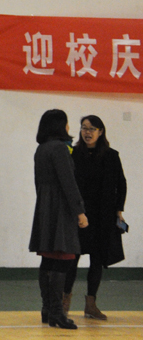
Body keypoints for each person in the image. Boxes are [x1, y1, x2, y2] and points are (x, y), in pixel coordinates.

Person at [28, 109, 88, 330]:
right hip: (61, 209)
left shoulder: (41, 149)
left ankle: (48, 309)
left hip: (45, 208)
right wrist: (79, 211)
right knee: (63, 259)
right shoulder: (60, 149)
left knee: (48, 259)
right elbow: (68, 183)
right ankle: (57, 312)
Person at [63, 115, 127, 320]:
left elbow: (121, 184)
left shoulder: (111, 155)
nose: (87, 132)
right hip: (79, 215)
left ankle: (91, 305)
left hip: (103, 217)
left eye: (92, 129)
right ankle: (64, 304)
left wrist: (119, 210)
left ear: (101, 132)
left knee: (97, 261)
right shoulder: (73, 154)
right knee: (72, 259)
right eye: (84, 128)